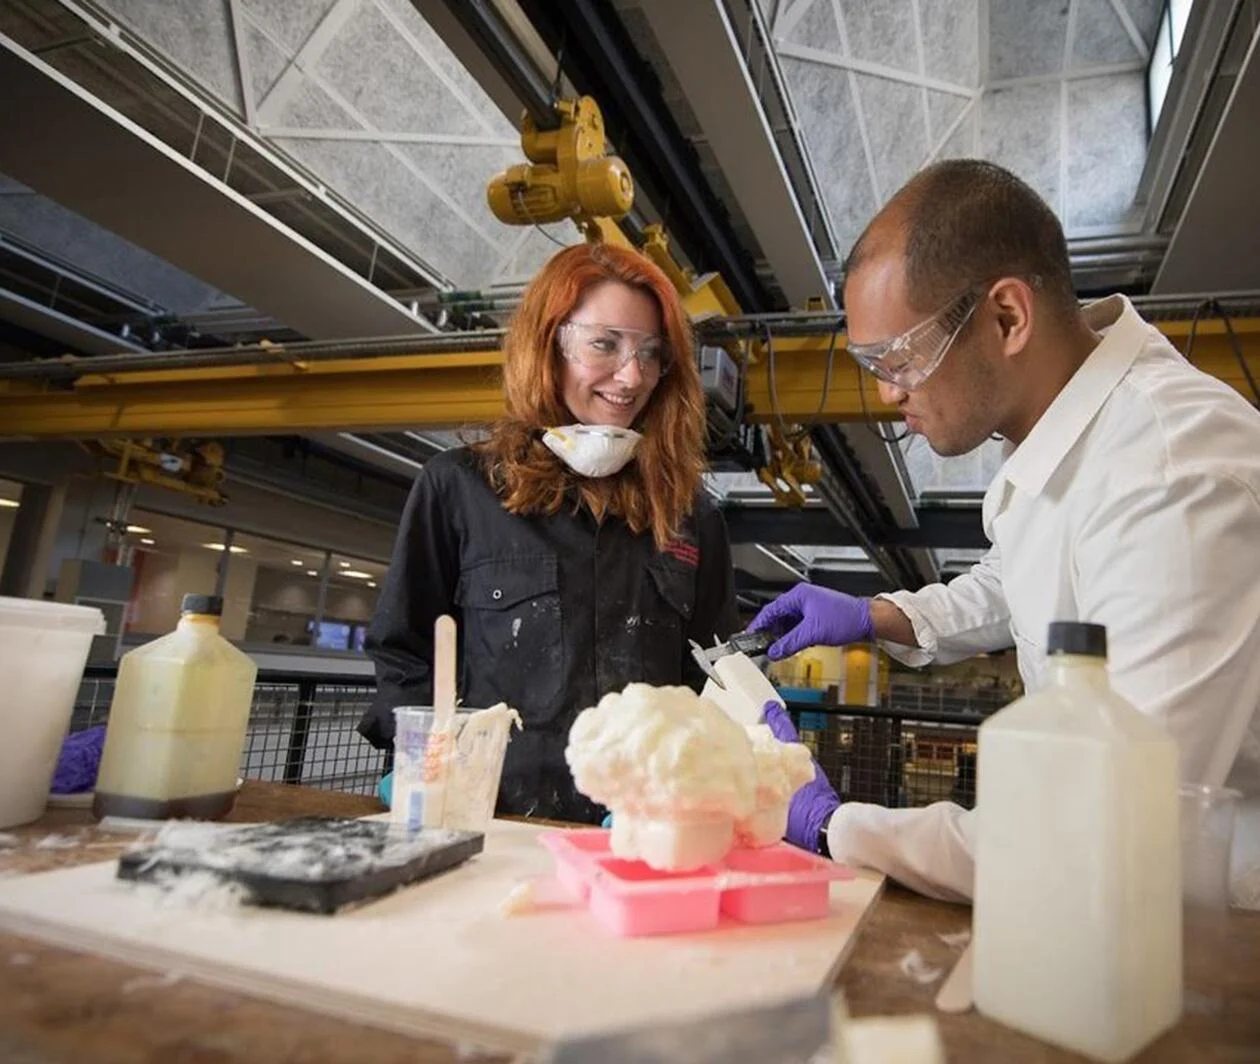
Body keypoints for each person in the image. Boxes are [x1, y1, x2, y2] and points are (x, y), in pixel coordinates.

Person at [749, 159, 1260, 905]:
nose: (888, 391)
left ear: (1007, 318)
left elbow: (1103, 831)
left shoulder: (1173, 476)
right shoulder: (1066, 439)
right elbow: (1029, 580)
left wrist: (837, 829)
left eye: (900, 356)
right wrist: (881, 615)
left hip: (1221, 917)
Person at [359, 241, 739, 822]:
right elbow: (402, 650)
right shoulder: (458, 490)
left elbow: (715, 678)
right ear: (549, 346)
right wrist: (420, 761)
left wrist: (693, 784)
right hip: (493, 819)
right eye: (604, 344)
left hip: (635, 832)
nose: (632, 376)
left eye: (652, 353)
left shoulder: (691, 517)